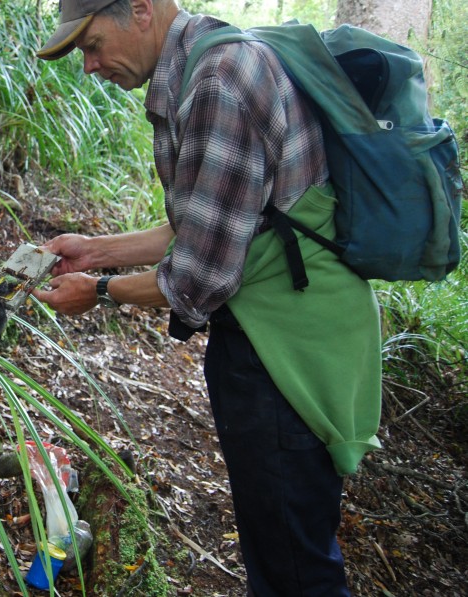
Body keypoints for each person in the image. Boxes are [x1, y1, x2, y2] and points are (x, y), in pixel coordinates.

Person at [30, 1, 383, 595]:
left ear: (140, 10)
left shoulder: (218, 82)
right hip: (286, 330)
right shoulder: (207, 60)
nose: (89, 66)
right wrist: (93, 250)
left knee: (295, 570)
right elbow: (208, 223)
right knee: (282, 550)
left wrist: (98, 292)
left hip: (289, 351)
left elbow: (199, 276)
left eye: (91, 44)